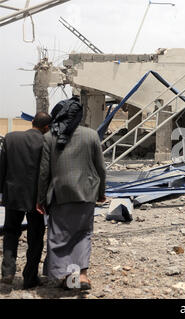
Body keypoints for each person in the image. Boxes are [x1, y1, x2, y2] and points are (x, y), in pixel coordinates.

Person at [37, 96, 106, 290]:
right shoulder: (91, 135)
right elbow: (101, 169)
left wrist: (40, 199)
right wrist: (101, 192)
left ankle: (68, 276)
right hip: (86, 193)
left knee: (61, 236)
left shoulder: (50, 137)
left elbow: (44, 173)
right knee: (83, 234)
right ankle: (81, 276)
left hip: (60, 195)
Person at [0, 112, 52, 289]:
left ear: (32, 123)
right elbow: (47, 173)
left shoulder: (11, 138)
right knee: (35, 238)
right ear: (46, 128)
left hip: (13, 195)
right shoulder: (46, 142)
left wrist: (1, 193)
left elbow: (2, 168)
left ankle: (7, 272)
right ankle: (30, 278)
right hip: (36, 199)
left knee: (10, 233)